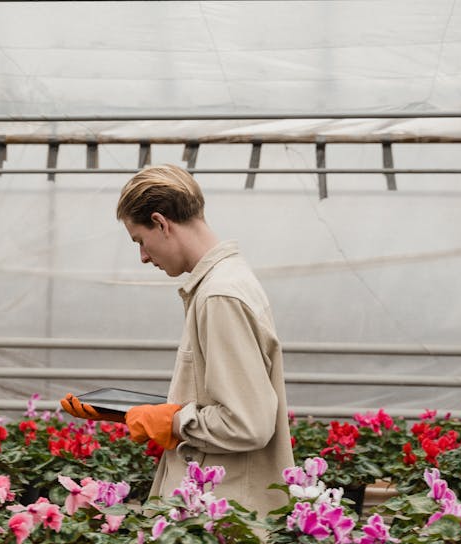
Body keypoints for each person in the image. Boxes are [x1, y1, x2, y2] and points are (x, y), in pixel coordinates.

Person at [61, 164, 293, 516]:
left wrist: (171, 422)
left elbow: (248, 423)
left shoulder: (220, 295)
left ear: (161, 223)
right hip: (218, 509)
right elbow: (223, 398)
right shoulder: (221, 284)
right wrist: (146, 413)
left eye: (140, 240)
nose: (142, 256)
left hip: (222, 516)